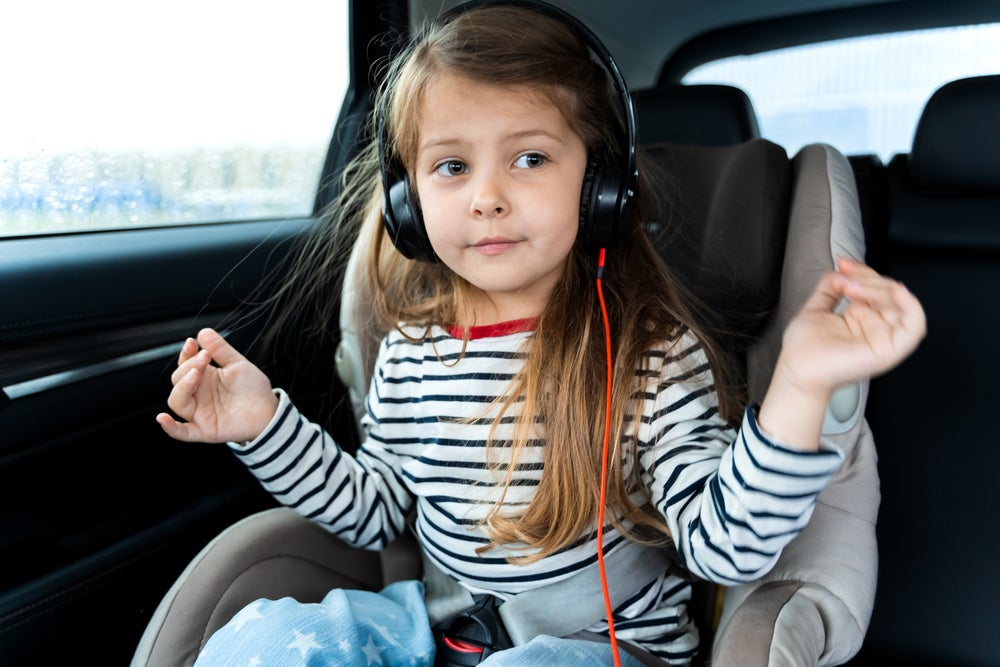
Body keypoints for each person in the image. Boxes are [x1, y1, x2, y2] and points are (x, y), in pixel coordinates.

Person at [155, 1, 926, 665]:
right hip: (439, 630)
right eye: (451, 166)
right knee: (267, 635)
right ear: (405, 200)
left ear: (602, 187)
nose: (486, 197)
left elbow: (725, 546)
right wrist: (262, 424)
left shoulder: (651, 355)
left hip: (603, 647)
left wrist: (798, 387)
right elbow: (375, 510)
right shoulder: (413, 352)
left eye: (529, 157)